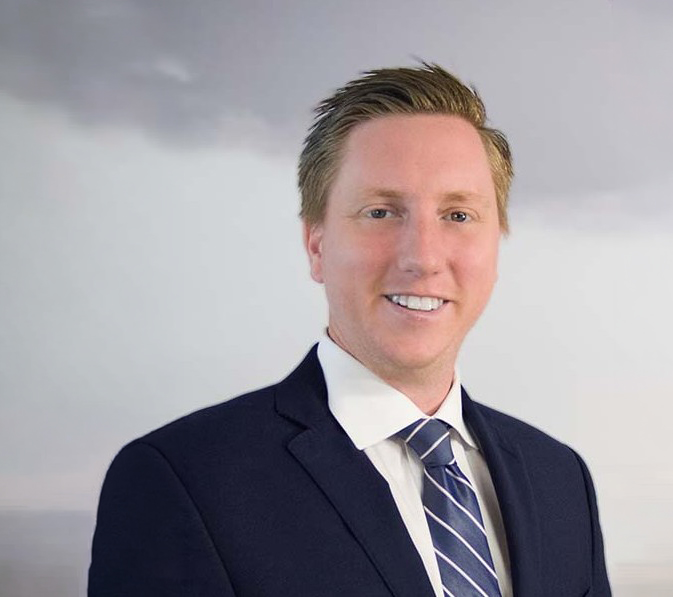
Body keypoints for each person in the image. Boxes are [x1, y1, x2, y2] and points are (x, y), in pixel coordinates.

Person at [89, 63, 612, 597]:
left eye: (458, 215)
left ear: (497, 242)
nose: (423, 257)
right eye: (381, 212)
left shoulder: (560, 480)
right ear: (316, 246)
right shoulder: (183, 481)